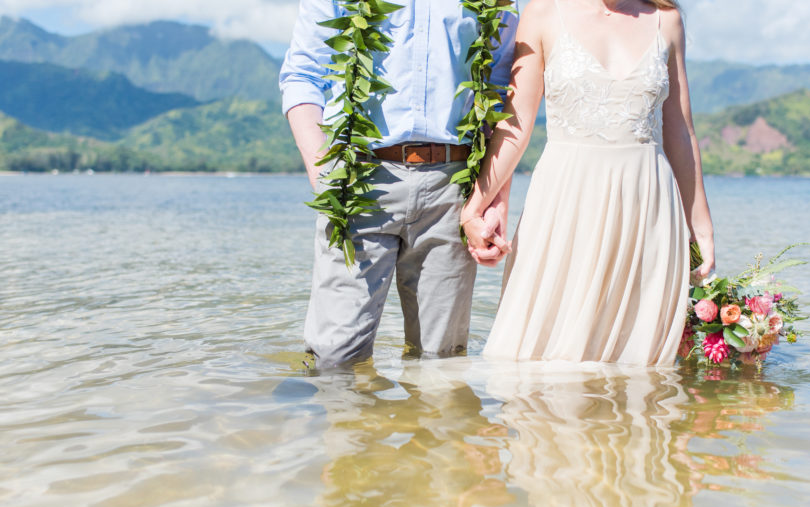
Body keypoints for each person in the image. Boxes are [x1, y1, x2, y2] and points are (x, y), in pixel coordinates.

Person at [461, 0, 716, 366]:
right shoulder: (543, 12)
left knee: (638, 365)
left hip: (648, 206)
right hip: (566, 204)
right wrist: (476, 204)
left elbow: (680, 128)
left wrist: (700, 224)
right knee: (542, 357)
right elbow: (516, 124)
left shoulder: (667, 20)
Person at [280, 0, 520, 368]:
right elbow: (302, 75)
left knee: (442, 363)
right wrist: (324, 178)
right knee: (334, 358)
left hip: (453, 186)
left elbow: (502, 90)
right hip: (357, 183)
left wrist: (494, 199)